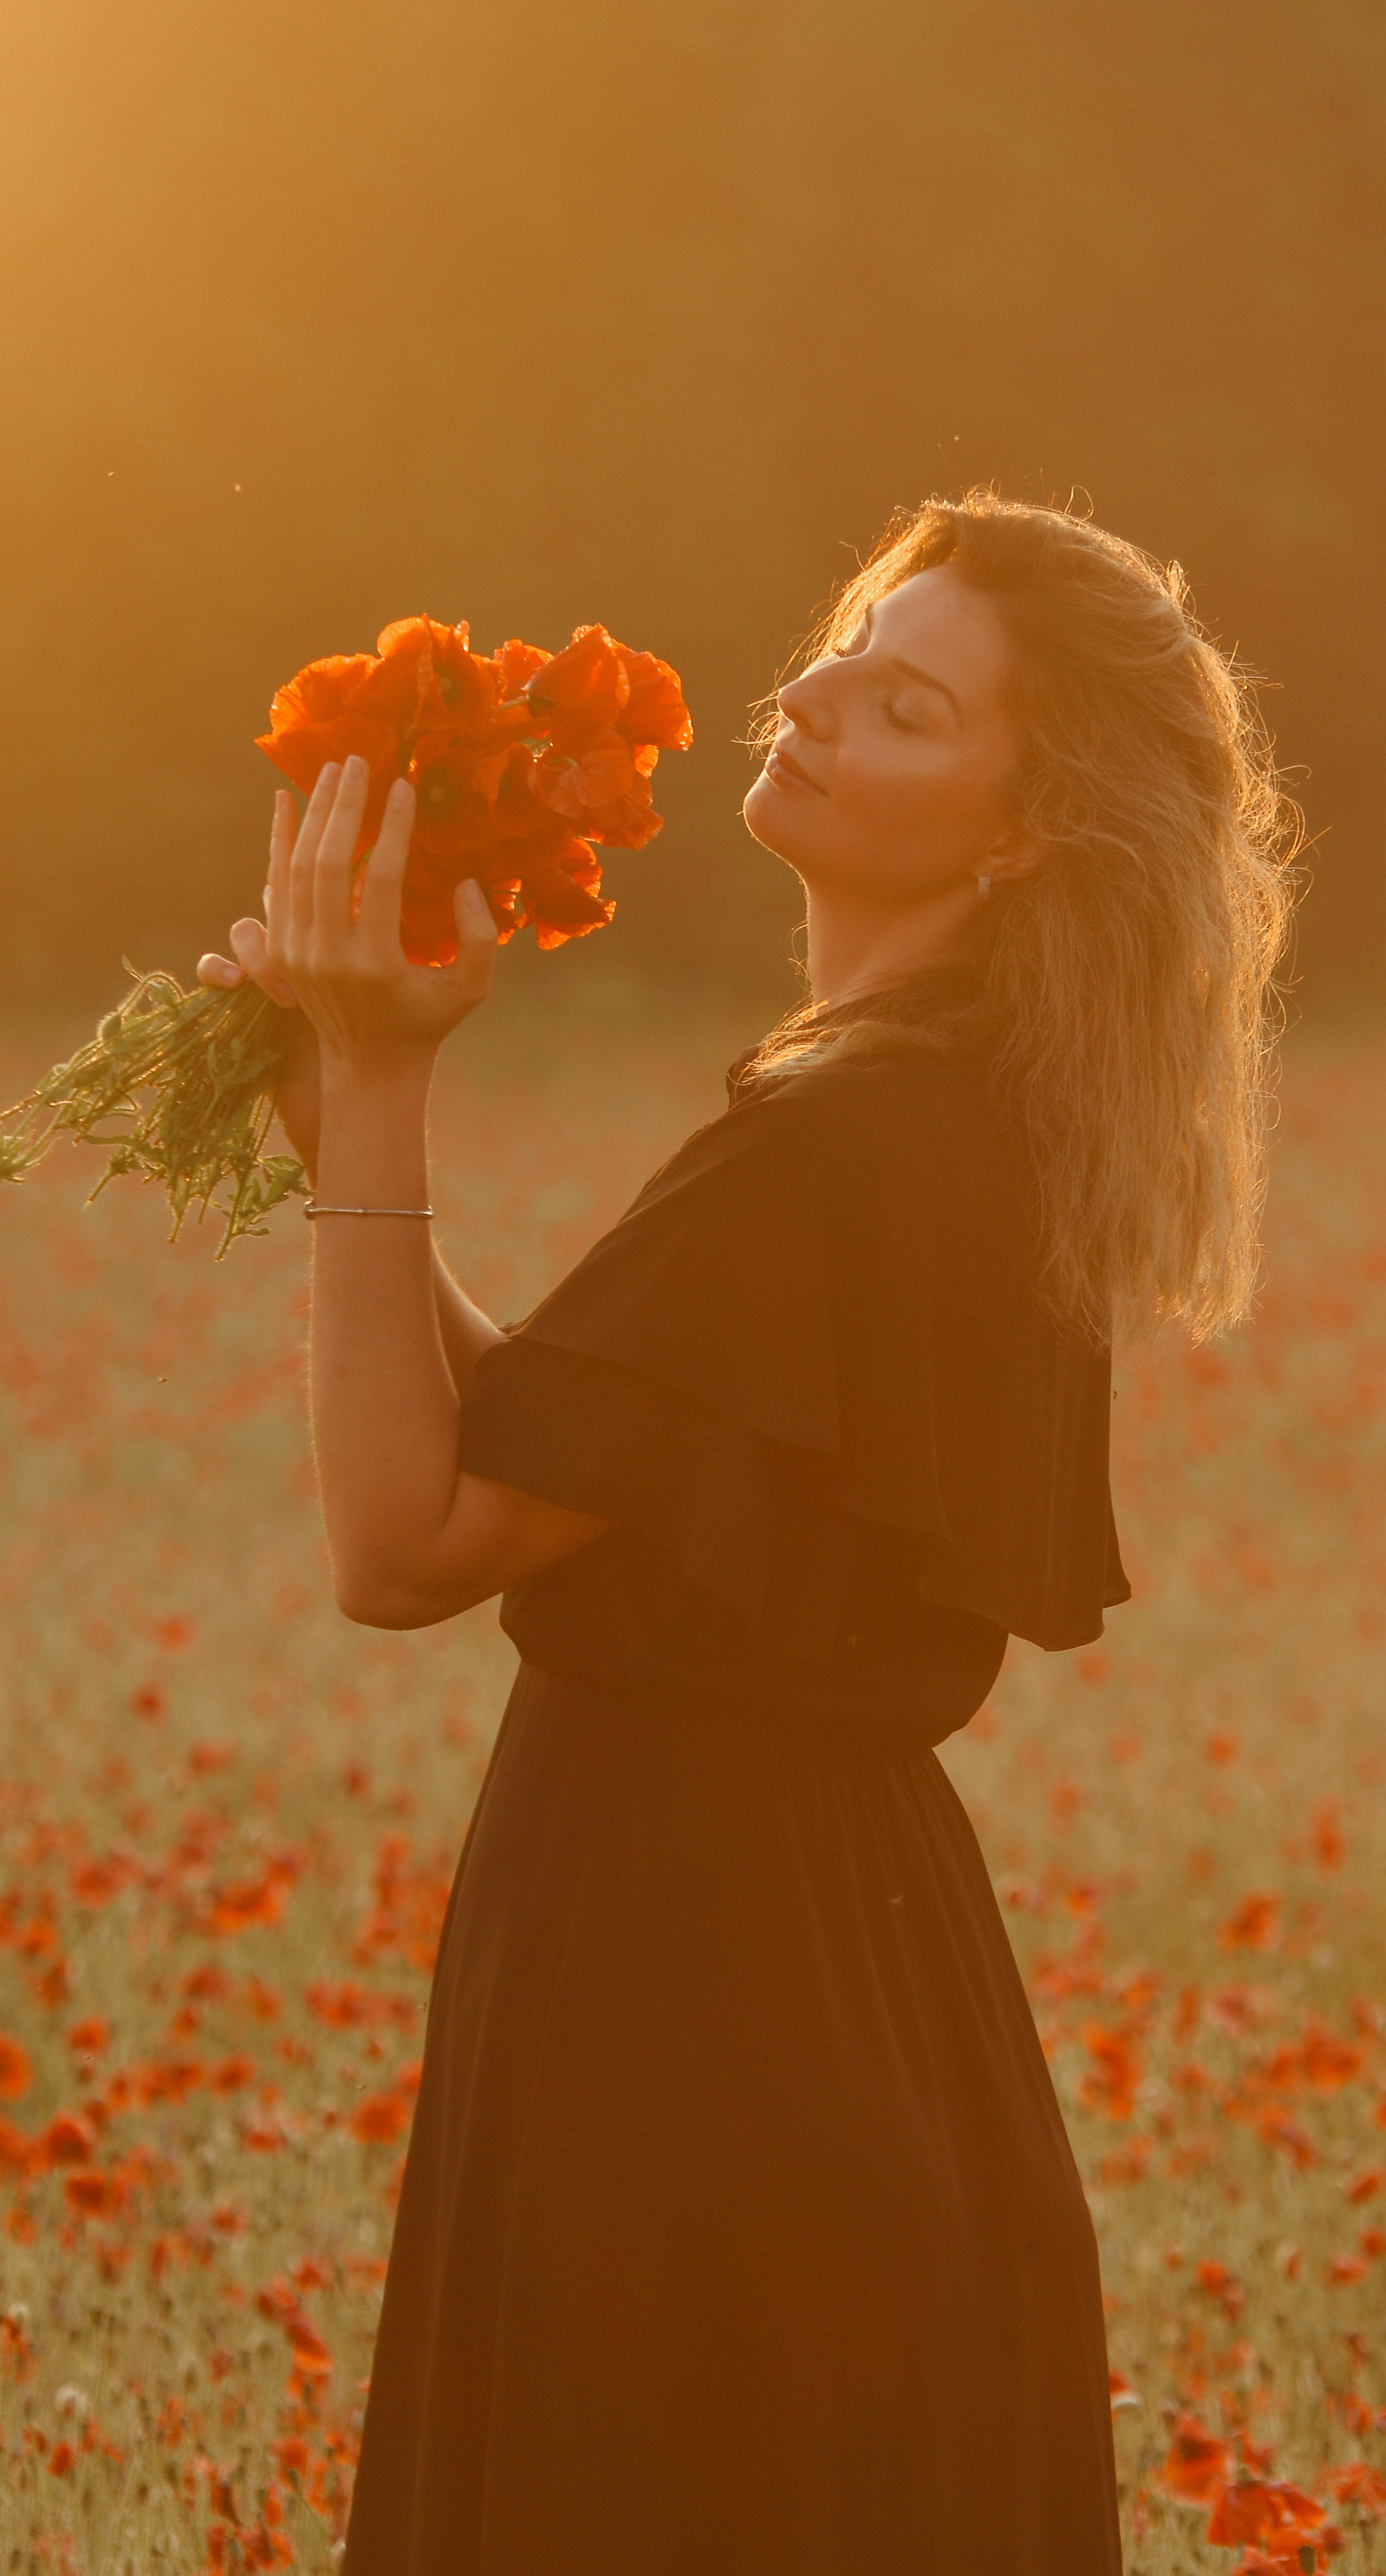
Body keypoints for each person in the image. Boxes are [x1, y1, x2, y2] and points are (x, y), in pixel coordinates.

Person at [198, 490, 1297, 2575]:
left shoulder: (848, 1139)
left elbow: (407, 1542)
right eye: (844, 652)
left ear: (1022, 827)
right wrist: (342, 1108)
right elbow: (574, 1462)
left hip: (688, 2007)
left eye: (904, 706)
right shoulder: (948, 1110)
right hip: (839, 1980)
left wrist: (382, 1092)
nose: (809, 704)